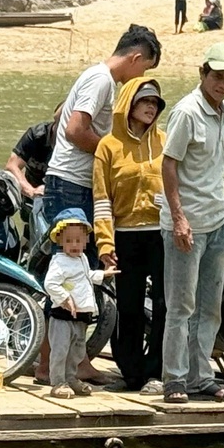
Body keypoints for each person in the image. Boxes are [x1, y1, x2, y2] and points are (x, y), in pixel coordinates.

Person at [34, 24, 162, 386]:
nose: (139, 80)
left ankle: (70, 361)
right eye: (144, 70)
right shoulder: (103, 79)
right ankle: (53, 366)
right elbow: (74, 129)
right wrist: (112, 152)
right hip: (71, 186)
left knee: (77, 274)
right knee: (70, 272)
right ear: (136, 58)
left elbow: (61, 117)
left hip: (71, 182)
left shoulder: (93, 76)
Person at [159, 42, 224, 404]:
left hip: (218, 219)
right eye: (217, 77)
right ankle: (175, 381)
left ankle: (202, 378)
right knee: (181, 306)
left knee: (210, 306)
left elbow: (211, 148)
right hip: (187, 224)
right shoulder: (186, 112)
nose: (223, 85)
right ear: (203, 73)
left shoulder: (222, 109)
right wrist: (179, 218)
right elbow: (169, 163)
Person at [92, 77, 168, 396]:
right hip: (125, 236)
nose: (151, 107)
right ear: (128, 105)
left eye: (155, 103)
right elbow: (101, 198)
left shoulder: (166, 141)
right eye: (145, 101)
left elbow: (182, 181)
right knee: (129, 306)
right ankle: (130, 372)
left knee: (165, 305)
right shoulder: (108, 146)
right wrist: (105, 243)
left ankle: (157, 373)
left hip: (161, 235)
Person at [44, 208, 119, 399]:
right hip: (63, 315)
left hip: (82, 315)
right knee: (60, 349)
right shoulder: (59, 261)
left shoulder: (82, 259)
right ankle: (58, 381)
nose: (74, 245)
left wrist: (103, 274)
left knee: (77, 350)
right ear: (60, 241)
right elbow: (50, 283)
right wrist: (64, 298)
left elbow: (86, 276)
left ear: (86, 240)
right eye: (69, 241)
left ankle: (71, 378)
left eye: (78, 240)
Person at [5, 103, 61, 202]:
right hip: (31, 195)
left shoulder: (78, 141)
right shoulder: (36, 135)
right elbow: (12, 166)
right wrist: (31, 191)